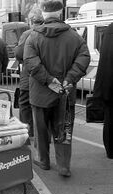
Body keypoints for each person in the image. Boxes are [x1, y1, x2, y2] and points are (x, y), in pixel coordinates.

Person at [23, 0, 90, 177]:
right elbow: (83, 58)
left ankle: (43, 160)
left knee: (41, 129)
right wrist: (68, 79)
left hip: (40, 93)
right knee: (64, 128)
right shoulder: (75, 36)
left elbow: (31, 62)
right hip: (65, 94)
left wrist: (50, 81)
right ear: (60, 13)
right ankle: (63, 165)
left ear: (43, 14)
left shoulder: (33, 37)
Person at [14, 7, 44, 139]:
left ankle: (27, 132)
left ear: (31, 21)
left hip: (29, 75)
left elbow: (19, 53)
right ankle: (43, 133)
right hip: (46, 76)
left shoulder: (27, 34)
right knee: (43, 104)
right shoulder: (49, 31)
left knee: (25, 104)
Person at [93, 22, 113, 159]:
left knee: (110, 118)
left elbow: (104, 59)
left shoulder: (109, 30)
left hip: (108, 83)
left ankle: (110, 151)